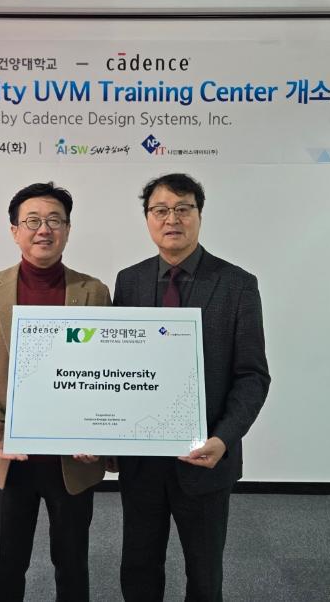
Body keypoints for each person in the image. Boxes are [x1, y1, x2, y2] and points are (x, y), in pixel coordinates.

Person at [0, 181, 111, 602]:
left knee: (72, 562)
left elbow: (108, 369)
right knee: (7, 563)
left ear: (68, 230)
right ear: (14, 231)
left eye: (55, 220)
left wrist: (98, 431)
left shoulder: (93, 292)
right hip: (7, 454)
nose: (44, 229)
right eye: (33, 220)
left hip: (71, 458)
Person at [113, 173, 270, 602]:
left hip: (206, 457)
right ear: (147, 218)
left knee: (204, 574)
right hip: (142, 461)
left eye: (184, 209)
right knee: (139, 567)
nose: (172, 219)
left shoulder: (237, 284)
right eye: (161, 210)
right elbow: (117, 367)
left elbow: (252, 376)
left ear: (200, 215)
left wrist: (223, 439)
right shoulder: (129, 282)